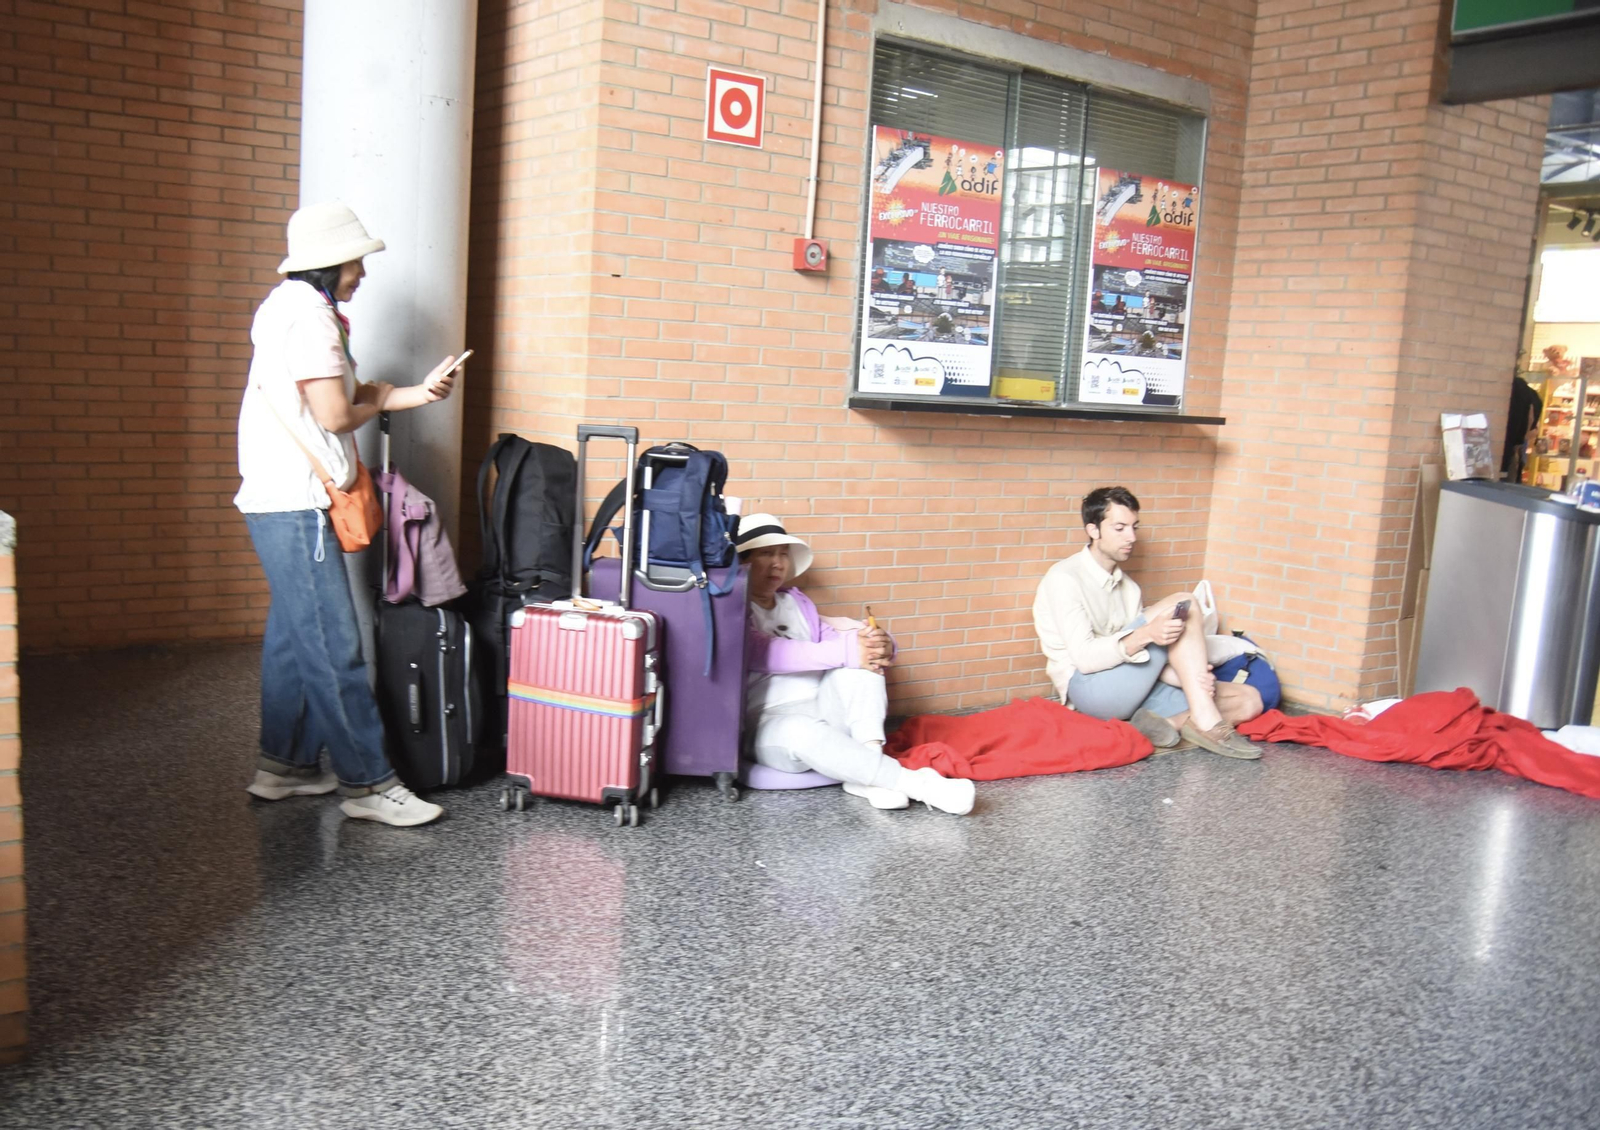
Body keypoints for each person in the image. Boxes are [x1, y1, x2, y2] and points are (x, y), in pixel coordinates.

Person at [233, 200, 462, 826]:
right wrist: (381, 400)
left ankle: (286, 767)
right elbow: (336, 415)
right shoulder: (310, 317)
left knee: (293, 637)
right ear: (329, 263)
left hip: (278, 496)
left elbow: (340, 398)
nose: (361, 272)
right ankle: (369, 784)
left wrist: (418, 393)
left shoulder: (286, 308)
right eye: (356, 261)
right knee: (335, 646)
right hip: (300, 500)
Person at [737, 514, 976, 814]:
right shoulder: (731, 608)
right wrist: (851, 649)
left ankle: (868, 773)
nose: (778, 563)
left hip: (824, 709)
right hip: (770, 724)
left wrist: (881, 645)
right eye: (766, 553)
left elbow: (840, 643)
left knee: (865, 662)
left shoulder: (797, 603)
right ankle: (918, 785)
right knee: (802, 730)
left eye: (783, 554)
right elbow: (764, 653)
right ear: (742, 562)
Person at [1032, 486, 1263, 759]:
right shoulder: (1064, 579)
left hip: (1132, 689)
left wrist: (1190, 677)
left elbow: (1145, 659)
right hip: (1089, 689)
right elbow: (1085, 660)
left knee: (1249, 700)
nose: (1131, 537)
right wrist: (1146, 634)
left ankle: (1166, 725)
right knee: (1184, 603)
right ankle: (1206, 722)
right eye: (1120, 528)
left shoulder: (1129, 588)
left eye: (1134, 527)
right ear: (1093, 530)